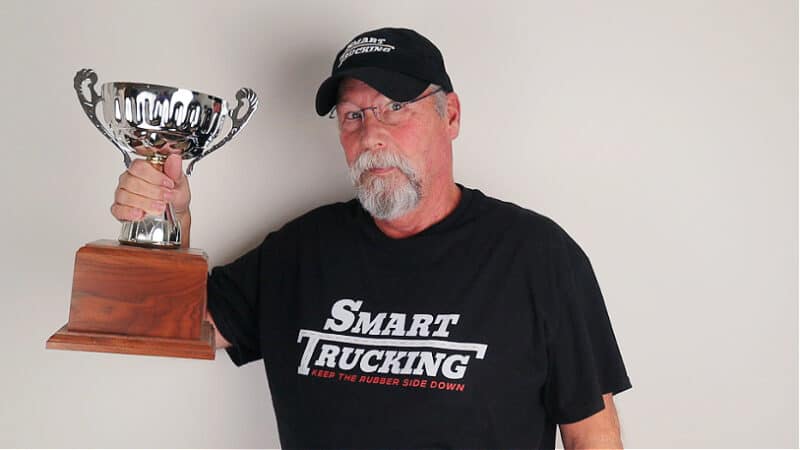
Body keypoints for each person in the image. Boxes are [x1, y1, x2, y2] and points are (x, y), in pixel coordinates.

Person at [111, 27, 632, 449]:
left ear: (449, 115)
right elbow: (170, 328)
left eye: (395, 108)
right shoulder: (300, 252)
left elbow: (593, 436)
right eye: (353, 116)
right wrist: (166, 218)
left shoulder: (537, 256)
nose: (371, 134)